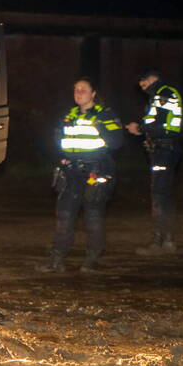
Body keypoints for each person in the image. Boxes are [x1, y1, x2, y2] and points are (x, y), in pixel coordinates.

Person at [38, 77, 124, 272]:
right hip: (71, 172)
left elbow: (117, 141)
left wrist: (98, 125)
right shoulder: (69, 116)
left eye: (83, 89)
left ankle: (93, 260)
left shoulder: (105, 115)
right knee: (64, 214)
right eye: (76, 89)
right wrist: (61, 159)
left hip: (96, 170)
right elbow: (55, 141)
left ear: (93, 94)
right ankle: (57, 259)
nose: (79, 93)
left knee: (93, 214)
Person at [125, 69, 183, 254]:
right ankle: (166, 240)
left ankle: (161, 242)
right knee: (163, 193)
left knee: (160, 194)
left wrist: (139, 128)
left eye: (143, 81)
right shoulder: (161, 95)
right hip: (163, 148)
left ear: (152, 79)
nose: (142, 86)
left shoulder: (164, 94)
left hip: (164, 149)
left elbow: (159, 122)